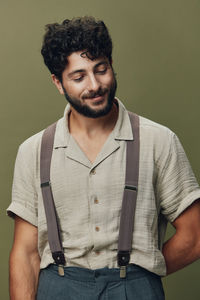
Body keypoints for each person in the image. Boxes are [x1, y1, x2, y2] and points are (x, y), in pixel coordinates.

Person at [7, 16, 200, 300]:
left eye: (101, 70)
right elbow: (25, 253)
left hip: (133, 287)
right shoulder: (33, 151)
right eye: (79, 76)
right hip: (59, 288)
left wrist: (141, 276)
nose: (95, 85)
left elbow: (194, 237)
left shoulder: (159, 141)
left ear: (112, 65)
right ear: (58, 83)